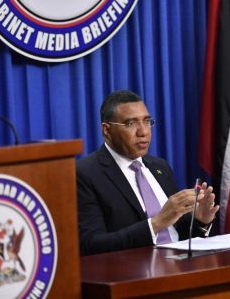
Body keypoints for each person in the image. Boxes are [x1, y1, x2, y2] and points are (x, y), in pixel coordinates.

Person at [77, 90, 219, 256]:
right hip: (133, 275)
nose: (143, 132)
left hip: (181, 269)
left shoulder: (160, 167)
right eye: (131, 123)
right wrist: (156, 223)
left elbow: (179, 235)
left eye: (146, 121)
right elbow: (91, 245)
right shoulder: (85, 174)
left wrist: (200, 221)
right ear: (107, 130)